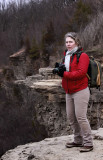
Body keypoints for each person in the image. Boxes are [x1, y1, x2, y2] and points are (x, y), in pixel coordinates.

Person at [61, 32, 93, 152]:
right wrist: (60, 69)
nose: (68, 44)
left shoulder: (83, 56)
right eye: (67, 42)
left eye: (70, 42)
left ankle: (88, 143)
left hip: (80, 90)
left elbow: (80, 73)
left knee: (81, 117)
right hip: (68, 91)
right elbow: (67, 71)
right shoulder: (66, 55)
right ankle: (78, 140)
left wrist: (63, 73)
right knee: (71, 117)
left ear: (76, 42)